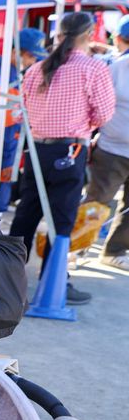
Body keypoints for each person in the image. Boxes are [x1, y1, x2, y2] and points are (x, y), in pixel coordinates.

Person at [9, 11, 115, 304]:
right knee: (62, 219)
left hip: (38, 150)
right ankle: (53, 284)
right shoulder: (93, 69)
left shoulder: (37, 68)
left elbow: (24, 110)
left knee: (26, 215)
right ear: (89, 34)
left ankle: (6, 281)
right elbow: (104, 113)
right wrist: (84, 125)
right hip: (71, 150)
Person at [0, 28, 48, 211]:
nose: (32, 62)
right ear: (16, 52)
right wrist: (8, 162)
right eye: (30, 56)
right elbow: (5, 127)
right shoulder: (7, 81)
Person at [82, 19, 129, 271]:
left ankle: (113, 251)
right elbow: (98, 106)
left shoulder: (114, 65)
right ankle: (76, 249)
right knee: (97, 202)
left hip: (112, 145)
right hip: (112, 149)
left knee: (106, 204)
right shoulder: (116, 67)